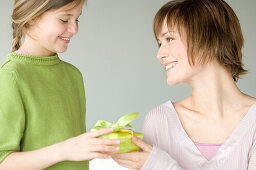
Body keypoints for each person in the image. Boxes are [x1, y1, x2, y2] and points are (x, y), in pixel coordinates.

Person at [112, 0, 256, 169]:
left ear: (208, 37)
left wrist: (159, 165)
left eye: (169, 39)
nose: (159, 54)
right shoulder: (160, 121)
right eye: (159, 43)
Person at [0, 0, 120, 169]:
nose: (74, 29)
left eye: (77, 19)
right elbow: (3, 161)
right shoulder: (11, 76)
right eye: (64, 20)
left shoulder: (73, 75)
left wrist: (96, 145)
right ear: (31, 18)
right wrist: (64, 150)